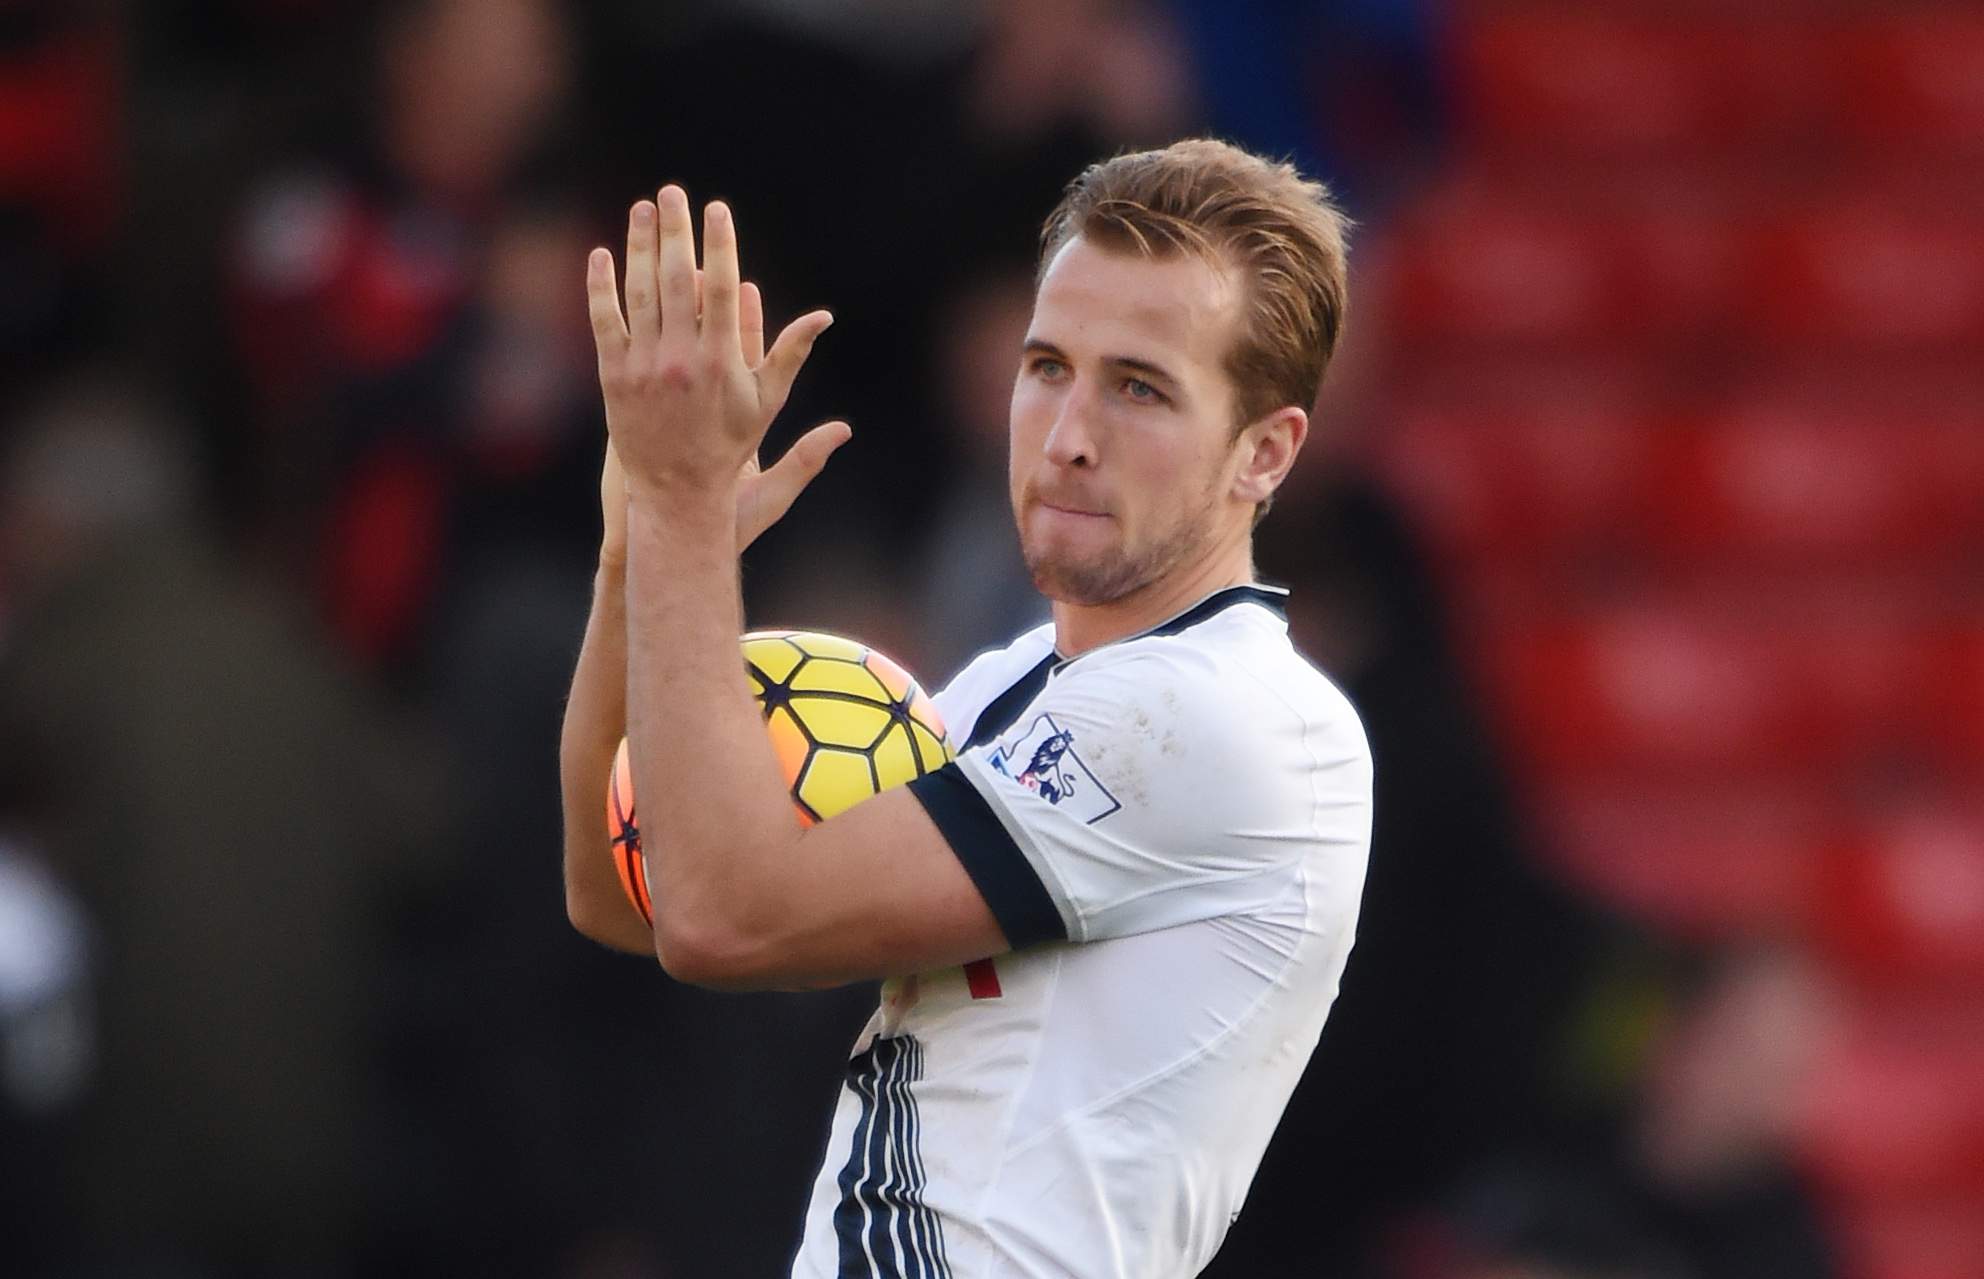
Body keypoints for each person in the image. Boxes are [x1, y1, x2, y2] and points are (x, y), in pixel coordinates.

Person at [559, 139, 1372, 1277]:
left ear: (1264, 454)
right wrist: (640, 552)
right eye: (1048, 367)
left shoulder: (1224, 716)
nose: (1068, 434)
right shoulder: (1015, 687)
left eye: (1138, 387)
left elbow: (721, 917)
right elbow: (628, 890)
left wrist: (686, 511)